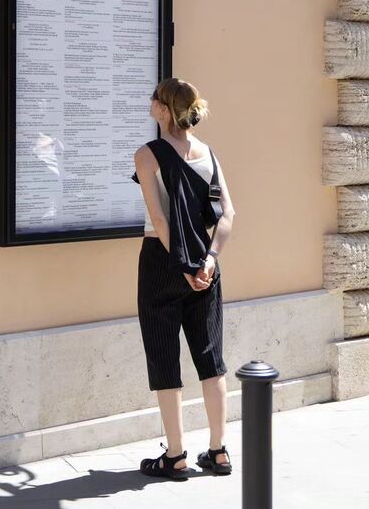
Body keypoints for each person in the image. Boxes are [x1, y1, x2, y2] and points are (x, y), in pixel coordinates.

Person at [133, 77, 236, 480]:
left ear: (163, 109)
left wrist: (184, 264)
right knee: (211, 358)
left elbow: (159, 220)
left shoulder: (148, 155)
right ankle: (219, 451)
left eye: (154, 98)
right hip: (206, 264)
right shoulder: (208, 153)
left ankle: (175, 456)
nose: (150, 102)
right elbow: (228, 215)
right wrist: (207, 261)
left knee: (164, 355)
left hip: (162, 262)